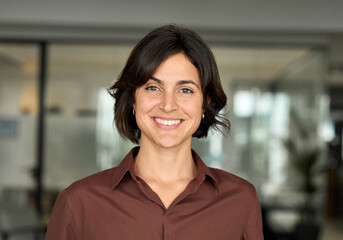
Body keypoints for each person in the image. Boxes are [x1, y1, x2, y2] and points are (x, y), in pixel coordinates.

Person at [45, 25, 264, 240]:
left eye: (185, 90)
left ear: (204, 104)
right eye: (153, 87)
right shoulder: (78, 202)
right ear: (133, 99)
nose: (168, 105)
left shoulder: (240, 200)